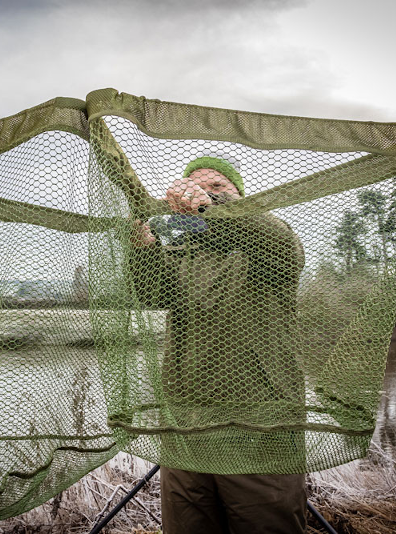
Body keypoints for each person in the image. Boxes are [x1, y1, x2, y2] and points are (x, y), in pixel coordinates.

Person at [129, 156, 307, 534]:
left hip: (261, 429)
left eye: (218, 187)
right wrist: (140, 247)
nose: (203, 194)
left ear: (241, 198)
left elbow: (280, 244)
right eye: (193, 186)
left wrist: (210, 206)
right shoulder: (182, 252)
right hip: (185, 428)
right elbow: (147, 294)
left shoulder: (267, 242)